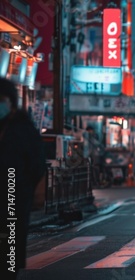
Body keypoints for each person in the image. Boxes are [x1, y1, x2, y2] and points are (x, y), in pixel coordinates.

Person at [0, 77, 46, 279]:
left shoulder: (23, 128)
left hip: (13, 194)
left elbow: (37, 164)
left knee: (10, 242)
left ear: (10, 101)